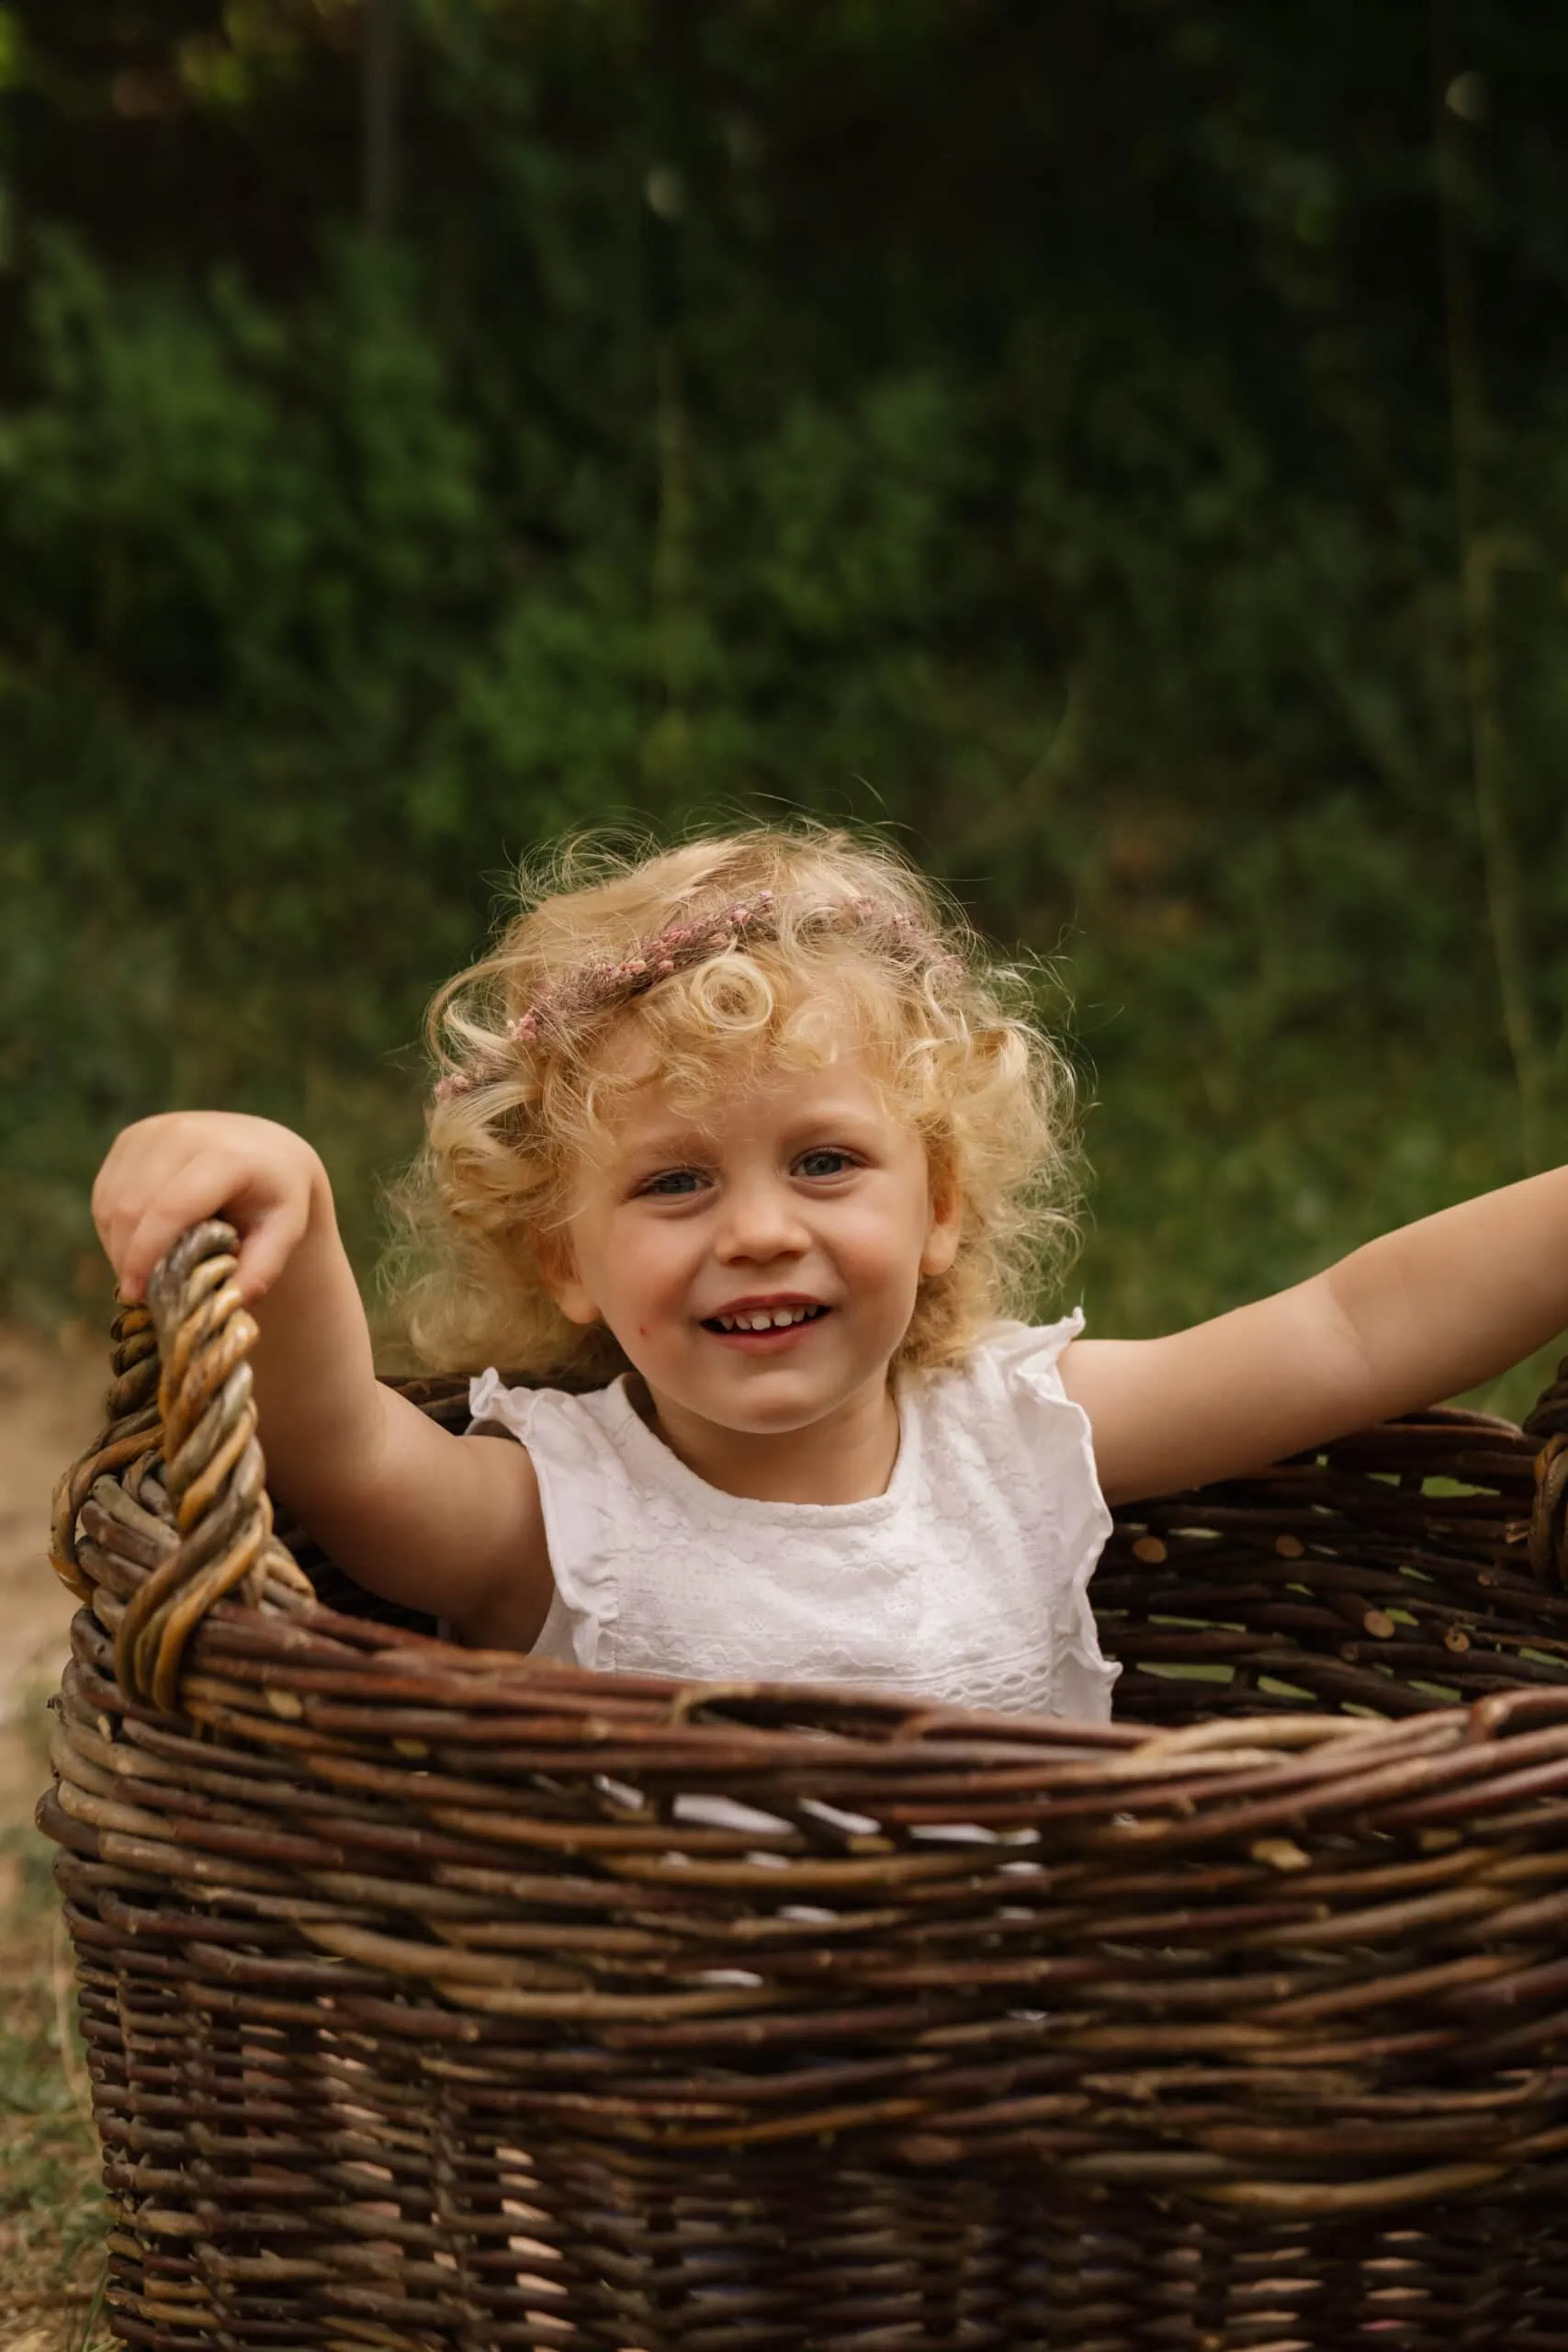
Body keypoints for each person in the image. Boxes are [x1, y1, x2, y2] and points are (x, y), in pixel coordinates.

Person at [91, 824, 1568, 1721]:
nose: (757, 1231)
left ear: (939, 1204)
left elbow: (1348, 1330)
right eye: (673, 1182)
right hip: (660, 2175)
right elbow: (337, 1451)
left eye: (823, 1164)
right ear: (565, 1260)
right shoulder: (553, 1517)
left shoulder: (1017, 1434)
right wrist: (280, 1188)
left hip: (1014, 2132)